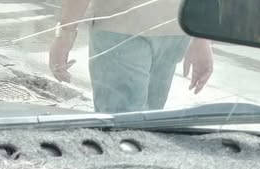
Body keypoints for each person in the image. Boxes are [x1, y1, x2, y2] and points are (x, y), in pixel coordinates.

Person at [49, 0, 214, 113]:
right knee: (146, 128)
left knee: (122, 129)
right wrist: (202, 36)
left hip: (122, 27)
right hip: (172, 28)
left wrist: (64, 34)